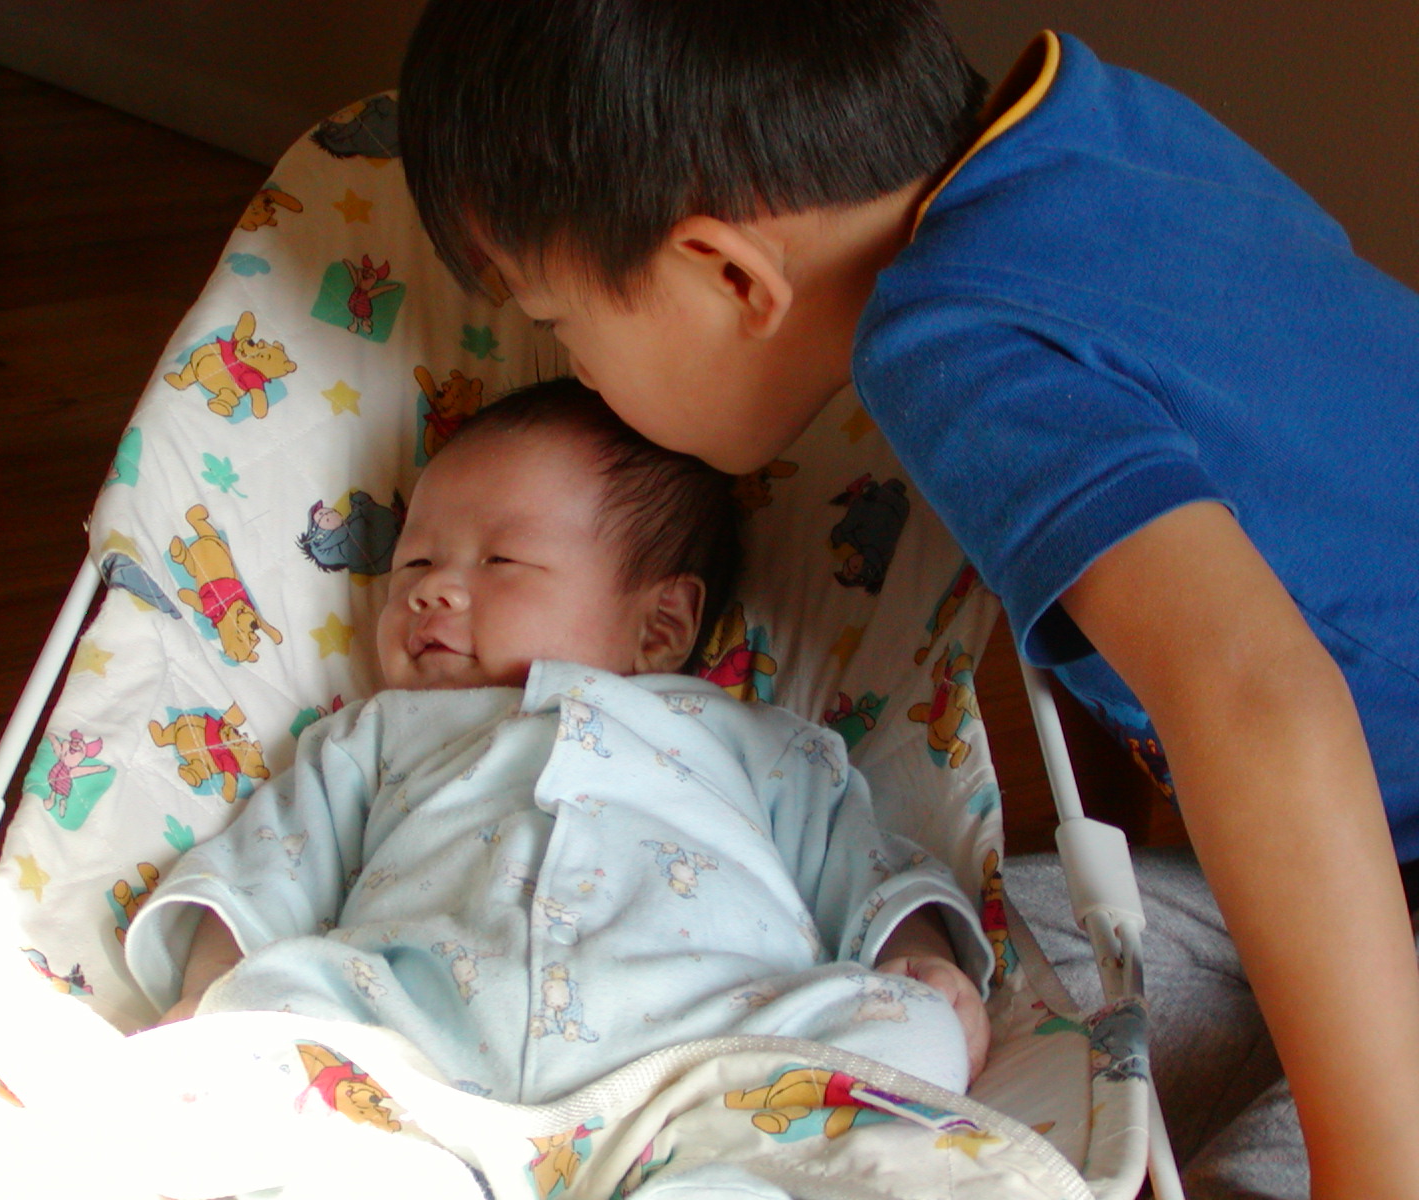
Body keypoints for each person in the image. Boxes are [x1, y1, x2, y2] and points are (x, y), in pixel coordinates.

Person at [395, 5, 1419, 1198]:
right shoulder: (1084, 119)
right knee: (977, 964)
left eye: (560, 327)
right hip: (1372, 846)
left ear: (729, 273)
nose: (576, 372)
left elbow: (1256, 703)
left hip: (1341, 805)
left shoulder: (946, 345)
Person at [125, 379, 993, 1114]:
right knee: (258, 1010)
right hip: (421, 1045)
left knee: (913, 1031)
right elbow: (259, 868)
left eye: (500, 561)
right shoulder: (373, 735)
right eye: (415, 565)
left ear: (661, 626)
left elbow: (864, 862)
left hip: (712, 1045)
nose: (432, 592)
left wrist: (917, 955)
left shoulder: (755, 741)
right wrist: (212, 987)